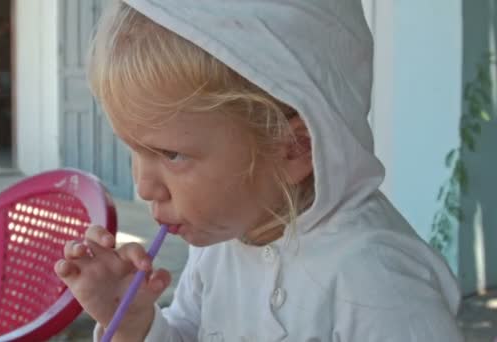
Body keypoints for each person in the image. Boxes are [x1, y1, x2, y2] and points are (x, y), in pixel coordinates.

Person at [54, 0, 463, 340]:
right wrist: (131, 322)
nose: (143, 186)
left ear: (293, 148)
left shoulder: (378, 282)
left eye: (171, 154)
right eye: (134, 150)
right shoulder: (220, 244)